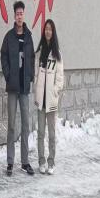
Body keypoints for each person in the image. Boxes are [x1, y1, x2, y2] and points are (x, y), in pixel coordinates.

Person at [0, 1, 35, 176]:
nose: (19, 16)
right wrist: (7, 75)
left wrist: (30, 76)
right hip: (13, 87)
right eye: (17, 13)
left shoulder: (28, 36)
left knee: (26, 125)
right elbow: (3, 56)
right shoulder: (9, 37)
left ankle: (25, 162)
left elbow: (32, 58)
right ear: (14, 16)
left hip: (24, 88)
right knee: (12, 125)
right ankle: (10, 162)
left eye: (21, 13)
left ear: (24, 15)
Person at [34, 19, 64, 175]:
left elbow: (60, 78)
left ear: (53, 32)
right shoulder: (39, 53)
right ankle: (41, 161)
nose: (48, 31)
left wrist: (55, 90)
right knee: (40, 133)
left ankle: (51, 162)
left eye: (50, 29)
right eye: (46, 29)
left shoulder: (57, 54)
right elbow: (36, 75)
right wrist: (36, 91)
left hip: (51, 100)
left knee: (51, 134)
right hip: (41, 100)